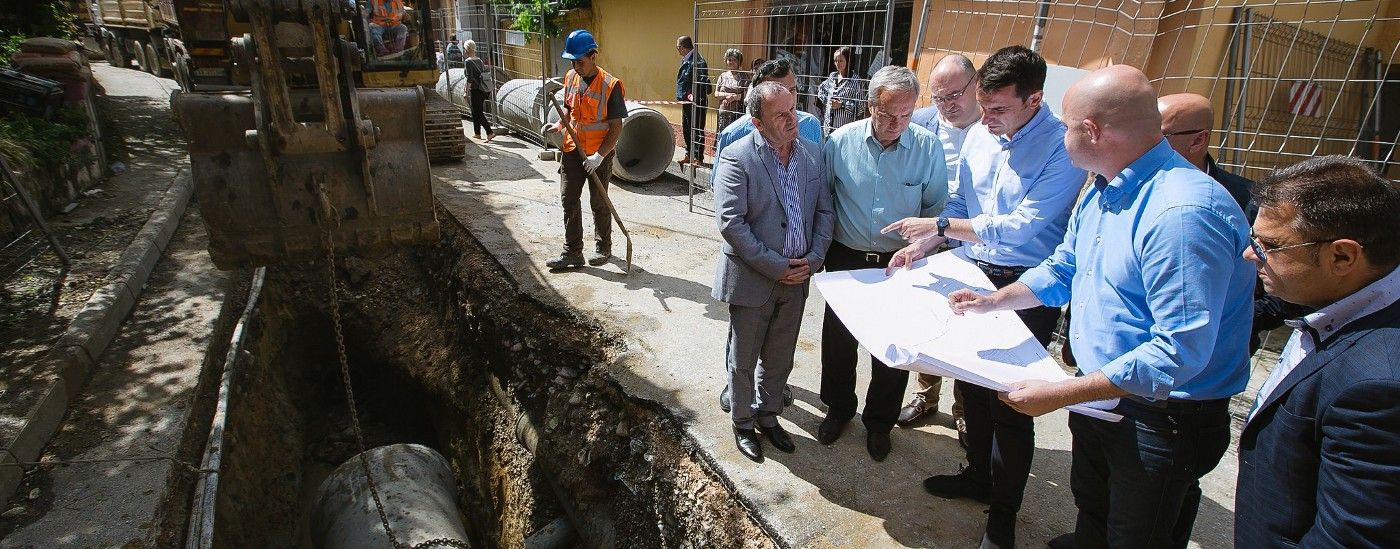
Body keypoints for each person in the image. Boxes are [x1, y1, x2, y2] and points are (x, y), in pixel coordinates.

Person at [947, 65, 1256, 549]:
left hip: (1160, 415)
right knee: (1093, 505)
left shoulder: (1181, 214)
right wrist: (995, 301)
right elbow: (1064, 268)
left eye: (1066, 125)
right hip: (1103, 395)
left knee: (1137, 535)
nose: (1060, 134)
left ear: (1091, 131)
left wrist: (1062, 393)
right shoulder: (1103, 187)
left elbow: (1177, 352)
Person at [882, 45, 1086, 549]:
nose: (986, 119)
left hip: (1026, 287)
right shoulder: (979, 134)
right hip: (972, 274)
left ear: (1034, 99)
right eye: (984, 106)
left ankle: (1003, 515)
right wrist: (923, 245)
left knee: (1012, 404)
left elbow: (1022, 227)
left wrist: (941, 226)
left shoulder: (1062, 148)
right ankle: (977, 475)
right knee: (972, 389)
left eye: (997, 110)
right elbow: (960, 202)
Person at [1235, 155, 1400, 547]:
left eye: (1270, 246)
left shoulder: (1377, 385)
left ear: (1342, 256)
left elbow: (1349, 538)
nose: (1250, 254)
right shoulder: (1332, 300)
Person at [818, 65, 949, 462]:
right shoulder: (840, 142)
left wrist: (921, 250)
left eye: (906, 114)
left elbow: (936, 211)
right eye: (889, 113)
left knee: (892, 347)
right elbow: (824, 200)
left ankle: (879, 423)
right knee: (839, 343)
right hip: (847, 256)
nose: (897, 123)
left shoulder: (927, 147)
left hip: (900, 263)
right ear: (871, 105)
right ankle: (839, 409)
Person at [711, 80, 835, 462]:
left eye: (793, 109)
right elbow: (732, 224)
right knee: (744, 359)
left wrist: (813, 260)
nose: (792, 119)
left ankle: (768, 416)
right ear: (757, 122)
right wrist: (777, 266)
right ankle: (743, 423)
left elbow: (825, 212)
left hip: (798, 279)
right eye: (780, 115)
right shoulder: (737, 157)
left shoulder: (812, 153)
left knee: (780, 357)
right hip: (753, 279)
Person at [1157, 92, 1310, 354]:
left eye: (1159, 135)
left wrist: (1231, 321)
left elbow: (1288, 289)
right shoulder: (1123, 191)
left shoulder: (1250, 203)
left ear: (1198, 140)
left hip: (1219, 357)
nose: (1142, 143)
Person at [898, 53, 983, 434]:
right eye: (938, 97)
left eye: (954, 95)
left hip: (975, 240)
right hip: (928, 236)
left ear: (975, 84)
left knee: (968, 324)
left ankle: (964, 407)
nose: (946, 105)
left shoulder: (995, 127)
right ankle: (925, 395)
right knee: (927, 319)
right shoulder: (920, 122)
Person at [542, 29, 625, 271]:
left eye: (580, 61)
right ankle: (572, 252)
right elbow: (569, 109)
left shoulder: (610, 85)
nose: (576, 66)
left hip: (598, 153)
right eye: (572, 62)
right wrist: (559, 125)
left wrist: (599, 156)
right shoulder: (571, 77)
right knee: (568, 198)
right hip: (572, 149)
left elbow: (616, 127)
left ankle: (603, 247)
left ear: (592, 56)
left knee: (599, 201)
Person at [710, 58, 824, 189]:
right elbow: (721, 188)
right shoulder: (733, 135)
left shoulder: (811, 125)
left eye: (792, 90)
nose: (788, 98)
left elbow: (819, 181)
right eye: (778, 92)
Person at [676, 35, 711, 166]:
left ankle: (698, 157)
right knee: (687, 128)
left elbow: (702, 83)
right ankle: (689, 154)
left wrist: (694, 97)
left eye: (678, 47)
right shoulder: (686, 59)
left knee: (697, 129)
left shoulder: (698, 61)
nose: (677, 50)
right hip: (686, 101)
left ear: (682, 47)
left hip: (697, 102)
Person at [816, 46, 865, 135]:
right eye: (835, 61)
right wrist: (827, 101)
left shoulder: (856, 81)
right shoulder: (832, 76)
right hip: (828, 129)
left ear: (848, 61)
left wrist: (842, 105)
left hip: (845, 131)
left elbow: (861, 107)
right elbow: (820, 90)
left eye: (841, 61)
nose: (838, 63)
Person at [462, 40, 494, 141]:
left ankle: (489, 132)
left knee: (478, 112)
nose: (464, 51)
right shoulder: (479, 60)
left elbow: (470, 78)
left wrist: (466, 91)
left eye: (465, 48)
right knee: (475, 111)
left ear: (467, 49)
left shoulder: (468, 62)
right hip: (483, 89)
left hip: (476, 89)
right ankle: (477, 133)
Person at [714, 49, 749, 135]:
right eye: (729, 59)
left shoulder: (744, 76)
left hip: (737, 114)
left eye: (734, 60)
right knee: (722, 135)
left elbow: (746, 95)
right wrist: (729, 95)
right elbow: (716, 94)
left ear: (739, 62)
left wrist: (733, 98)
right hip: (723, 113)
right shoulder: (722, 76)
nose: (731, 62)